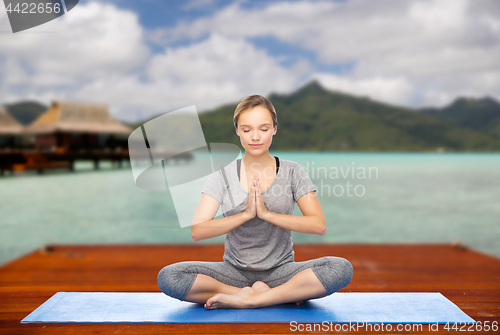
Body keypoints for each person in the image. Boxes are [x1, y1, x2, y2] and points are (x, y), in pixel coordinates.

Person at [157, 94, 353, 309]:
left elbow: (318, 225)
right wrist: (246, 215)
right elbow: (198, 230)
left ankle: (251, 299)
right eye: (247, 129)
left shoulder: (293, 171)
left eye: (264, 128)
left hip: (281, 271)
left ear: (274, 129)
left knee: (340, 268)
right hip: (233, 272)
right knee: (170, 277)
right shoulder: (223, 174)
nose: (255, 137)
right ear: (238, 131)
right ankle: (264, 295)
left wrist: (267, 214)